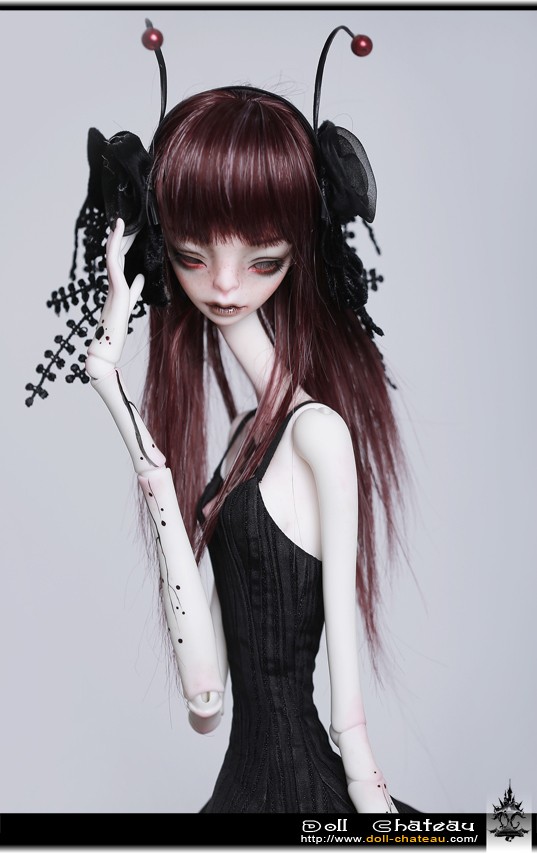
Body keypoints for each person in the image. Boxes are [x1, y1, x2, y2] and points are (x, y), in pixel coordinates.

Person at [30, 23, 415, 814]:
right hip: (239, 790)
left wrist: (378, 816)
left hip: (311, 796)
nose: (227, 285)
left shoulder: (317, 434)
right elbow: (205, 699)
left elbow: (347, 718)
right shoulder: (244, 439)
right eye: (193, 255)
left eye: (261, 259)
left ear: (298, 254)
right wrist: (113, 392)